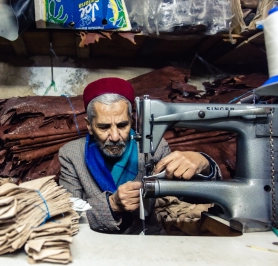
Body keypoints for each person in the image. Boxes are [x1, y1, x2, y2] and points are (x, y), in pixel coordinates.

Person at [58, 77, 221, 234]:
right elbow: (68, 214)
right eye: (104, 127)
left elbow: (183, 196)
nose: (115, 136)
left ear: (131, 120)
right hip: (98, 241)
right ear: (89, 125)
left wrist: (204, 164)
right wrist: (112, 205)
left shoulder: (155, 147)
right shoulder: (71, 155)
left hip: (147, 239)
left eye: (122, 125)